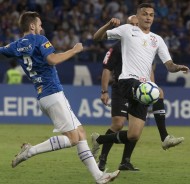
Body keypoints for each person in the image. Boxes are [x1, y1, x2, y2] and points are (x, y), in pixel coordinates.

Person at [0, 11, 119, 184]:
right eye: (39, 25)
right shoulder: (39, 39)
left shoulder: (15, 46)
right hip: (53, 93)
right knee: (73, 139)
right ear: (32, 26)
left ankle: (99, 177)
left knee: (80, 134)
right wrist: (74, 50)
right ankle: (30, 151)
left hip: (44, 96)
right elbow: (52, 59)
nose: (41, 28)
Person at [91, 3, 189, 170]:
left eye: (151, 14)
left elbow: (169, 65)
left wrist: (177, 67)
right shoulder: (127, 30)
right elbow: (96, 38)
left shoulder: (157, 39)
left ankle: (98, 140)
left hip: (142, 85)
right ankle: (165, 137)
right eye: (144, 14)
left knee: (133, 134)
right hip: (126, 81)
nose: (148, 17)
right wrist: (108, 24)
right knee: (158, 92)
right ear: (137, 16)